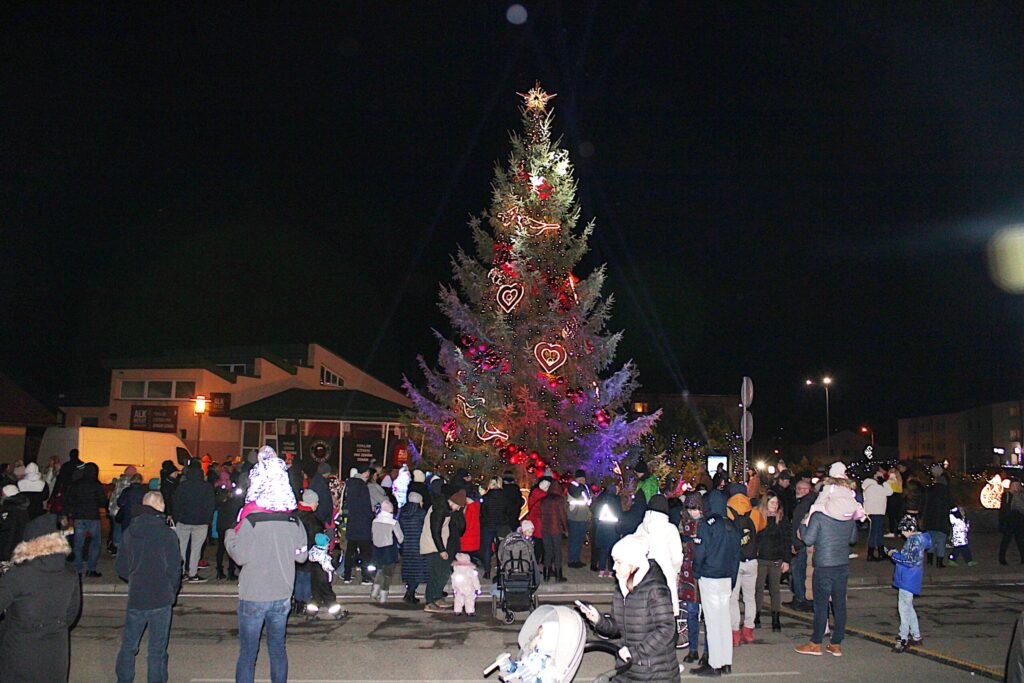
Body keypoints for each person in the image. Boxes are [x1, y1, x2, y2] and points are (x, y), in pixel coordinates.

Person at [225, 446, 307, 683]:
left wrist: (230, 534)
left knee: (248, 654)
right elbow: (301, 556)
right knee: (278, 649)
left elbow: (239, 556)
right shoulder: (293, 521)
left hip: (254, 595)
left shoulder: (251, 521)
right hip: (281, 594)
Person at [579, 534, 680, 681]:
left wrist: (636, 653)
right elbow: (618, 628)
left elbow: (667, 629)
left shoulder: (655, 589)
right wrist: (598, 620)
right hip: (629, 667)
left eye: (619, 562)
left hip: (655, 672)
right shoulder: (622, 589)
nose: (614, 567)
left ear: (634, 562)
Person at [0, 514, 80, 682]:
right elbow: (72, 613)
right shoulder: (70, 574)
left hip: (20, 649)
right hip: (56, 651)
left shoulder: (18, 575)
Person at [794, 465, 861, 658]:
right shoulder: (848, 514)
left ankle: (815, 643)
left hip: (823, 565)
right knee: (839, 604)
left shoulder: (821, 515)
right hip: (842, 564)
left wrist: (803, 523)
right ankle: (836, 643)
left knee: (821, 605)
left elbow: (808, 539)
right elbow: (853, 539)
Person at [114, 491, 182, 683]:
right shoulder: (167, 534)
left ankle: (124, 679)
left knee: (129, 645)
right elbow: (175, 568)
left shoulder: (130, 531)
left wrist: (135, 578)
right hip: (161, 596)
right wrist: (172, 591)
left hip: (137, 595)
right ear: (160, 508)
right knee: (157, 649)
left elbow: (121, 567)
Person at [692, 492, 742, 676]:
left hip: (710, 576)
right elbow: (737, 556)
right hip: (726, 577)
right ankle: (726, 661)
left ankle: (714, 664)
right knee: (724, 620)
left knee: (712, 622)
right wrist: (733, 578)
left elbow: (700, 552)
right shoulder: (731, 525)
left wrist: (697, 572)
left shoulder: (707, 525)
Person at [633, 494, 683, 628]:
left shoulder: (641, 527)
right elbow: (677, 557)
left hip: (644, 573)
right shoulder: (670, 529)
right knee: (666, 612)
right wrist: (676, 571)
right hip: (664, 573)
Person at [885, 514, 931, 653]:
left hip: (907, 579)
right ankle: (916, 636)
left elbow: (908, 561)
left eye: (903, 530)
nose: (902, 533)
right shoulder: (919, 539)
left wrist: (893, 554)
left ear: (909, 529)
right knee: (908, 607)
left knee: (904, 609)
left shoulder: (913, 541)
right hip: (912, 578)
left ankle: (903, 638)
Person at [421, 484, 467, 613]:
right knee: (436, 573)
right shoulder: (439, 509)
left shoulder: (448, 509)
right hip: (432, 545)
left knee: (444, 571)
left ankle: (437, 597)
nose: (458, 509)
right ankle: (430, 601)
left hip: (440, 544)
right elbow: (435, 531)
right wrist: (441, 550)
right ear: (452, 502)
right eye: (458, 506)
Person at [726, 491, 764, 645]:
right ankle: (748, 630)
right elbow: (762, 526)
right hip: (752, 560)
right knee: (750, 597)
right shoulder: (755, 514)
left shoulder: (727, 512)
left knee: (733, 598)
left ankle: (734, 632)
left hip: (735, 561)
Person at [173, 460, 215, 583]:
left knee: (181, 548)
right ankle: (193, 573)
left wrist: (177, 518)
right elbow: (210, 505)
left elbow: (176, 503)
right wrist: (208, 520)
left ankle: (180, 572)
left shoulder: (182, 486)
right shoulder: (206, 487)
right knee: (196, 549)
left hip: (184, 521)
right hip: (201, 522)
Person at [754, 491, 791, 633]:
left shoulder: (781, 519)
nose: (775, 506)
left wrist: (786, 560)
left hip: (776, 558)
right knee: (758, 588)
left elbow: (786, 540)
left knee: (775, 590)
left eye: (776, 503)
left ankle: (776, 618)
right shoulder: (758, 516)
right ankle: (756, 615)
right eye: (772, 503)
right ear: (766, 503)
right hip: (761, 558)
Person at [66, 461, 108, 577]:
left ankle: (78, 569)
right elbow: (103, 501)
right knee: (95, 543)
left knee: (78, 544)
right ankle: (91, 569)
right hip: (93, 516)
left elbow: (69, 499)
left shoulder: (76, 484)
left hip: (79, 516)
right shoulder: (96, 484)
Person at [679, 492, 706, 662]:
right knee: (691, 613)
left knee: (707, 615)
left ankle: (708, 652)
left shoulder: (707, 523)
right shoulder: (684, 523)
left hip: (704, 571)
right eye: (690, 509)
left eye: (695, 509)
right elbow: (679, 545)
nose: (693, 512)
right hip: (688, 571)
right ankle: (693, 649)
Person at [787, 478, 817, 612]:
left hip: (804, 543)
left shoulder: (805, 504)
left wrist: (795, 542)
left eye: (802, 489)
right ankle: (804, 598)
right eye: (798, 488)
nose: (798, 491)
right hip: (807, 542)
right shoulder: (811, 502)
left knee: (798, 570)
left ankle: (801, 599)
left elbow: (797, 525)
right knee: (802, 571)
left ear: (807, 490)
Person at [342, 466, 374, 584]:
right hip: (363, 523)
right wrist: (371, 515)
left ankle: (347, 576)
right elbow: (366, 506)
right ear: (365, 473)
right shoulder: (362, 486)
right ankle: (365, 577)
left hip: (352, 522)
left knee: (350, 550)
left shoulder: (350, 484)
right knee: (365, 552)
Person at [371, 499, 404, 604]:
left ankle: (374, 591)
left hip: (376, 549)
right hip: (389, 550)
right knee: (387, 574)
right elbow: (400, 538)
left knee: (379, 570)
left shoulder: (375, 520)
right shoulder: (393, 522)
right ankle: (383, 596)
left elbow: (372, 534)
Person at [480, 477, 512, 578]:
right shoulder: (505, 496)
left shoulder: (486, 497)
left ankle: (487, 571)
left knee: (487, 549)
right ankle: (500, 570)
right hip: (501, 525)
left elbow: (482, 512)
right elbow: (508, 511)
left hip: (488, 525)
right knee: (501, 548)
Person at [399, 491, 428, 603]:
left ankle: (409, 592)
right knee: (417, 569)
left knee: (409, 568)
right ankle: (410, 593)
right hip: (418, 544)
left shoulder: (403, 512)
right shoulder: (421, 513)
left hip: (406, 545)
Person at [214, 471, 244, 580]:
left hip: (223, 522)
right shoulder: (227, 492)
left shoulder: (220, 491)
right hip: (230, 523)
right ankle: (228, 571)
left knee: (222, 548)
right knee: (229, 547)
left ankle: (221, 571)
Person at [921, 463, 951, 568]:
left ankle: (929, 560)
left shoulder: (929, 490)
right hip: (942, 519)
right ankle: (939, 562)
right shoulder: (945, 491)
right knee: (941, 542)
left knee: (932, 540)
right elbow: (950, 504)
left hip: (931, 519)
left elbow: (924, 505)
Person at [539, 477, 568, 581]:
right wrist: (566, 528)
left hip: (545, 528)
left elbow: (541, 515)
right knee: (557, 551)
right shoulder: (559, 500)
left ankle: (546, 575)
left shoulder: (543, 500)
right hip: (556, 529)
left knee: (547, 551)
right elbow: (562, 515)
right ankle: (558, 575)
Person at [862, 467, 893, 561]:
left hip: (873, 511)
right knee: (875, 532)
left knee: (878, 532)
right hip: (877, 511)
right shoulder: (875, 486)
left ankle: (879, 552)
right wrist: (884, 482)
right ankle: (871, 554)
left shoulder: (868, 485)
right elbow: (889, 492)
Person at [593, 483, 622, 577]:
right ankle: (610, 571)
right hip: (613, 528)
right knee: (611, 550)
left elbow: (596, 513)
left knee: (603, 550)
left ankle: (601, 570)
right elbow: (619, 514)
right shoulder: (616, 500)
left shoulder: (601, 500)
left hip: (602, 527)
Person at [566, 469, 592, 568]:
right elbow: (577, 495)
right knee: (574, 539)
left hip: (582, 516)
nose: (582, 480)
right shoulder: (574, 487)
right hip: (575, 516)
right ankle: (572, 560)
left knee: (579, 539)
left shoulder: (584, 487)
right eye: (580, 478)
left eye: (583, 478)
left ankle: (576, 559)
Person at [0, 484, 30, 561]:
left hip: (8, 541)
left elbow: (5, 527)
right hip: (19, 539)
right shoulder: (21, 505)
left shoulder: (9, 508)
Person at [1000, 481, 1024, 565]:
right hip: (1009, 521)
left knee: (1020, 541)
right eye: (1015, 485)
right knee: (1006, 540)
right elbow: (1003, 510)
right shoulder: (1007, 495)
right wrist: (1002, 522)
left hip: (1019, 521)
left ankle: (1023, 558)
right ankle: (1002, 558)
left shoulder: (1021, 495)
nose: (1016, 487)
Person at [526, 479, 547, 565]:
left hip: (533, 522)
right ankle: (537, 563)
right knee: (541, 544)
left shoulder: (533, 494)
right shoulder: (544, 497)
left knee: (535, 544)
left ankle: (534, 562)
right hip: (540, 523)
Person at [885, 464, 905, 536]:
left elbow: (887, 485)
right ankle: (900, 531)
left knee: (891, 514)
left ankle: (892, 531)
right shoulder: (899, 478)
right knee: (897, 515)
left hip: (892, 496)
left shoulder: (892, 477)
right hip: (898, 496)